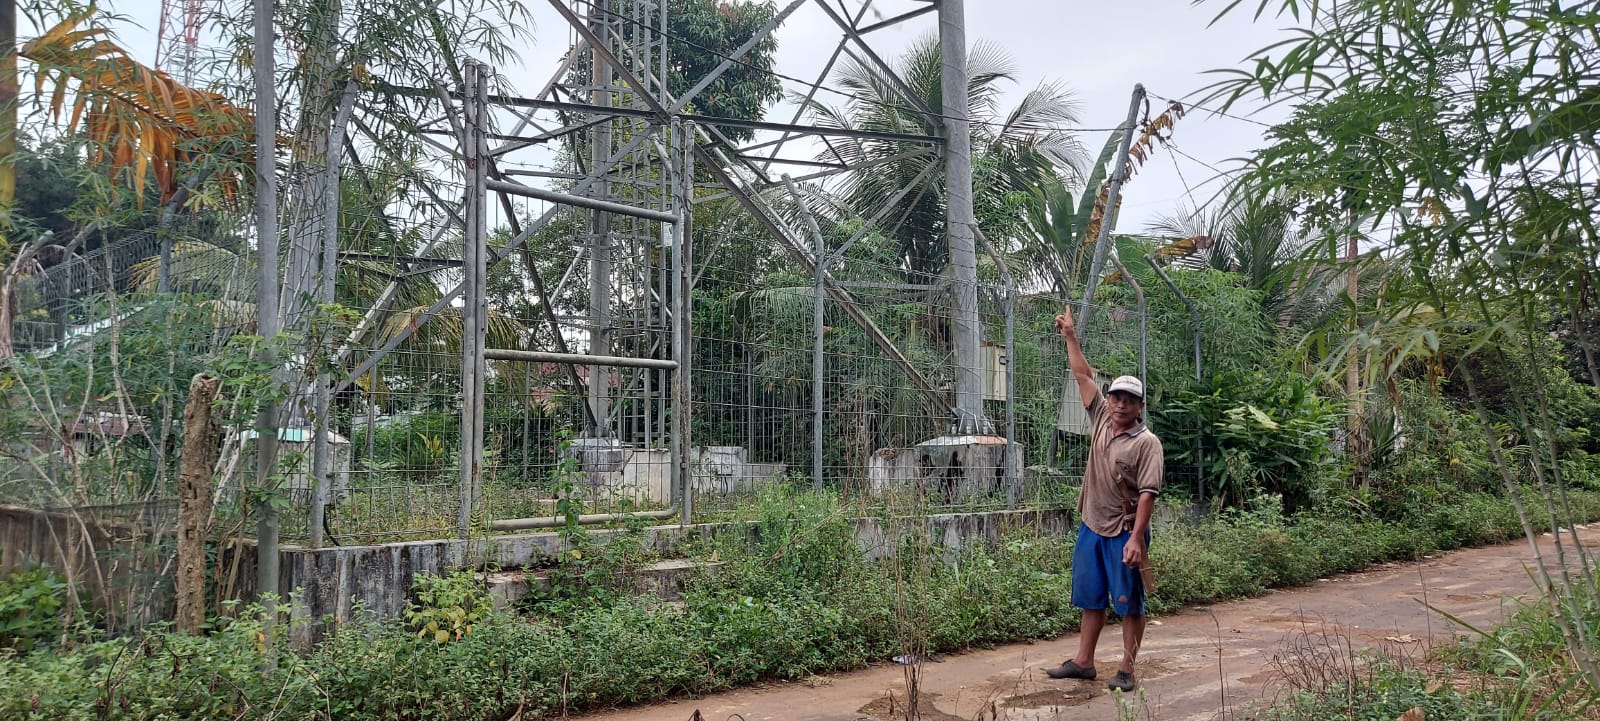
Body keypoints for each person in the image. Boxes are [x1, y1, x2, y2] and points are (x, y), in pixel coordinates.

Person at [1044, 306, 1164, 693]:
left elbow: (1148, 493)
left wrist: (1135, 539)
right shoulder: (1099, 418)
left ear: (1140, 406)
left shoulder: (1147, 443)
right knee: (1091, 597)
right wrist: (1070, 337)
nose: (1120, 405)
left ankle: (1127, 668)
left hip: (1124, 531)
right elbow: (1081, 374)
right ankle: (1084, 662)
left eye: (1129, 400)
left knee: (1130, 603)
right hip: (1091, 525)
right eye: (1116, 397)